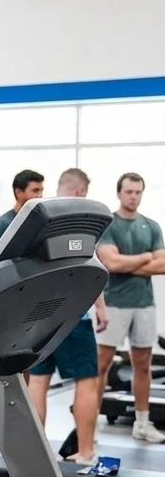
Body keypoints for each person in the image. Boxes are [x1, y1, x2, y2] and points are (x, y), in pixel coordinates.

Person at [26, 168, 107, 464]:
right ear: (80, 191)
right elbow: (91, 267)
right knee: (87, 381)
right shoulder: (82, 220)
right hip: (73, 315)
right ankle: (85, 451)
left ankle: (34, 455)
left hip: (39, 316)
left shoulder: (39, 219)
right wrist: (100, 305)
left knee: (37, 381)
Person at [95, 172, 165, 445]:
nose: (133, 197)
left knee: (143, 365)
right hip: (114, 304)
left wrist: (127, 263)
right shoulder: (109, 225)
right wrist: (146, 257)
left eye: (138, 192)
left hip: (144, 304)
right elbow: (111, 263)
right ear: (119, 193)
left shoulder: (152, 226)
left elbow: (162, 264)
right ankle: (89, 425)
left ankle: (142, 424)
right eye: (129, 192)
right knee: (101, 365)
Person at [0, 169, 44, 449]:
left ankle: (16, 427)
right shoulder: (3, 225)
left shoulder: (38, 223)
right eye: (35, 190)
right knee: (7, 371)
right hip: (9, 307)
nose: (40, 195)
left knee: (24, 369)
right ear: (19, 192)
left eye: (41, 190)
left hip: (30, 306)